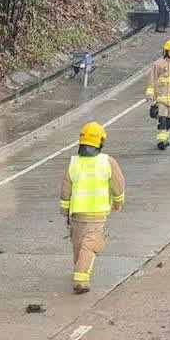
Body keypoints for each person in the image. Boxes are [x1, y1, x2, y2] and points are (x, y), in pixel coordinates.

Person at [59, 121, 126, 293]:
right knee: (90, 245)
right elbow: (118, 185)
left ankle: (78, 269)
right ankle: (81, 280)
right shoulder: (108, 162)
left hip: (77, 214)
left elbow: (65, 190)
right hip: (97, 213)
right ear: (100, 141)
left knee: (78, 244)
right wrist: (118, 202)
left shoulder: (73, 163)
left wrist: (65, 211)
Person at [143, 39, 170, 151]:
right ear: (165, 51)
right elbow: (152, 79)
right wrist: (150, 93)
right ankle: (161, 141)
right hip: (161, 97)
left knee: (169, 121)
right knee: (162, 119)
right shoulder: (158, 64)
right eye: (169, 51)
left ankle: (165, 137)